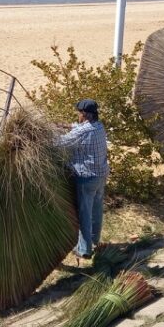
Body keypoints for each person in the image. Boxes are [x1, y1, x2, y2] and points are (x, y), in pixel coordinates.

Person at [56, 98, 109, 259]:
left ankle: (84, 250)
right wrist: (66, 125)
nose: (78, 115)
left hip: (86, 178)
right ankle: (94, 241)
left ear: (84, 114)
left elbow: (58, 143)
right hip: (101, 175)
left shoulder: (82, 132)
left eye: (79, 113)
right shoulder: (99, 126)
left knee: (84, 214)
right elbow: (81, 128)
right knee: (96, 210)